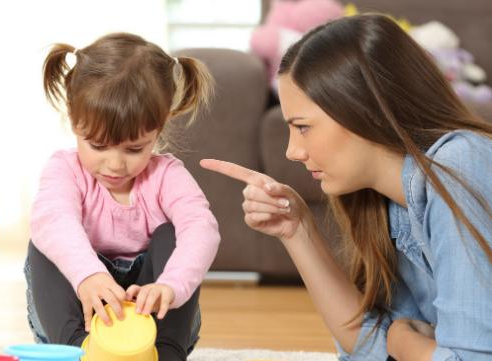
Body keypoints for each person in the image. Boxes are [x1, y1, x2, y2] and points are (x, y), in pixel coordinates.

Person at [201, 14, 492, 361]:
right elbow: (369, 349)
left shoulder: (461, 163)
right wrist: (296, 229)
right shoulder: (390, 203)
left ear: (365, 110)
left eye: (304, 127)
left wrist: (401, 342)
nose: (292, 151)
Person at [25, 32, 220, 361]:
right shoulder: (64, 169)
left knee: (173, 234)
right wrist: (89, 275)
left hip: (153, 329)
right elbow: (53, 219)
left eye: (134, 148)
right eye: (98, 145)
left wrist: (171, 286)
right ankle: (78, 351)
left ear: (159, 129)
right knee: (45, 241)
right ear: (73, 123)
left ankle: (167, 353)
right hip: (80, 321)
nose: (115, 164)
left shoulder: (166, 175)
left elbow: (202, 229)